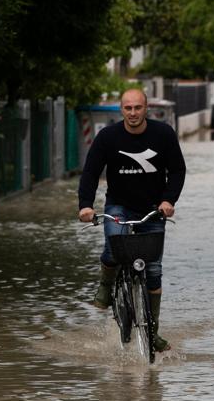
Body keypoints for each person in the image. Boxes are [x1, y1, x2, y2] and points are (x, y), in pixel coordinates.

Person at [78, 88, 186, 352]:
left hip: (153, 210)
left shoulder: (163, 134)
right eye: (128, 108)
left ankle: (152, 333)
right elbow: (91, 172)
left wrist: (168, 201)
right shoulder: (108, 137)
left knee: (153, 272)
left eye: (138, 107)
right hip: (119, 207)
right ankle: (106, 285)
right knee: (114, 247)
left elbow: (178, 170)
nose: (133, 113)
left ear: (146, 108)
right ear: (121, 110)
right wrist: (85, 206)